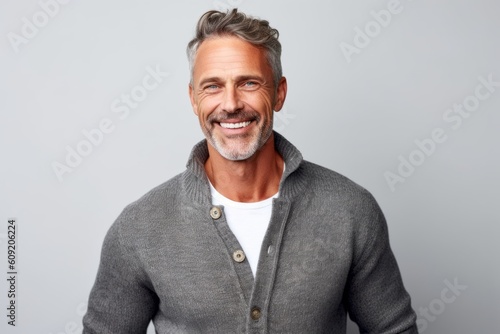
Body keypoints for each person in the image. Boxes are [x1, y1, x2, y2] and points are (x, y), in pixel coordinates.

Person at [83, 8, 418, 333]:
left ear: (279, 93)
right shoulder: (139, 229)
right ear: (193, 98)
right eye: (212, 86)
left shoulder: (350, 211)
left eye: (248, 83)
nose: (230, 104)